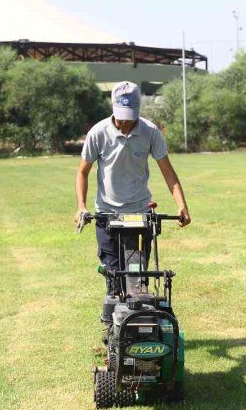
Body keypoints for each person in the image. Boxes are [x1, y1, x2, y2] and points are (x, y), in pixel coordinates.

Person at [74, 81, 191, 308]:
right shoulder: (98, 133)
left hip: (139, 215)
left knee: (137, 278)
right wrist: (81, 205)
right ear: (113, 108)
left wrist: (182, 205)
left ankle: (139, 329)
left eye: (130, 117)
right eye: (121, 117)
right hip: (107, 215)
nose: (126, 124)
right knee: (114, 277)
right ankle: (115, 329)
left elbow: (168, 172)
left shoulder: (150, 132)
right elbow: (82, 172)